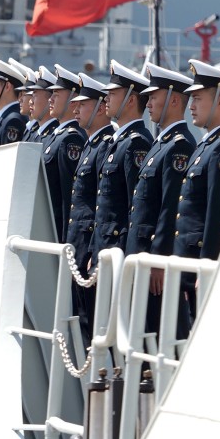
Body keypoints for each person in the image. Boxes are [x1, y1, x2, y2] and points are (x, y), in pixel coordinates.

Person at [126, 63, 197, 334]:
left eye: (154, 97)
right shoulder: (161, 143)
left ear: (174, 100)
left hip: (154, 263)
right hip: (142, 258)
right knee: (143, 336)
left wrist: (159, 258)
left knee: (160, 334)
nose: (149, 103)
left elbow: (170, 208)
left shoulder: (179, 145)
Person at [174, 59, 220, 337]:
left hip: (198, 263)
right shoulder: (207, 145)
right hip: (187, 262)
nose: (191, 105)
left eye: (198, 99)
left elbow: (217, 213)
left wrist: (208, 265)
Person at [66, 72, 114, 344]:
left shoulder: (105, 145)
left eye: (82, 104)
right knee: (82, 320)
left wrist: (93, 250)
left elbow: (102, 204)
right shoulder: (91, 145)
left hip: (89, 248)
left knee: (92, 321)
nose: (76, 109)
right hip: (80, 246)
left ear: (99, 107)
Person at [89, 61, 153, 263]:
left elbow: (135, 207)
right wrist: (93, 248)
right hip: (104, 250)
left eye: (113, 94)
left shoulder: (137, 143)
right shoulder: (118, 141)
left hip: (118, 252)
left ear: (131, 100)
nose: (106, 98)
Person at [40, 65, 86, 241]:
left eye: (56, 95)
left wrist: (66, 242)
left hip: (57, 234)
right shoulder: (56, 137)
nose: (50, 99)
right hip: (47, 229)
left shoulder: (71, 140)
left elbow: (70, 198)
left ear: (73, 99)